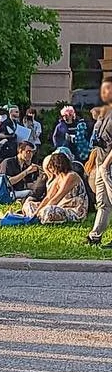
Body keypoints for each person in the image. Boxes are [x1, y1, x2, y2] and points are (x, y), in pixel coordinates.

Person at [3, 150, 88, 226]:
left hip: (74, 209)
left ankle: (36, 217)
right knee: (29, 204)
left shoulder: (71, 176)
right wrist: (37, 212)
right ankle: (34, 217)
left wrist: (42, 210)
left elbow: (57, 197)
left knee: (48, 210)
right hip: (60, 206)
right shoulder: (59, 177)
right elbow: (48, 197)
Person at [83, 77, 112, 246]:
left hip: (109, 164)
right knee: (102, 202)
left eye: (108, 88)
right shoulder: (105, 112)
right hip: (101, 163)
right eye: (103, 89)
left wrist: (106, 165)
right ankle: (95, 236)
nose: (104, 92)